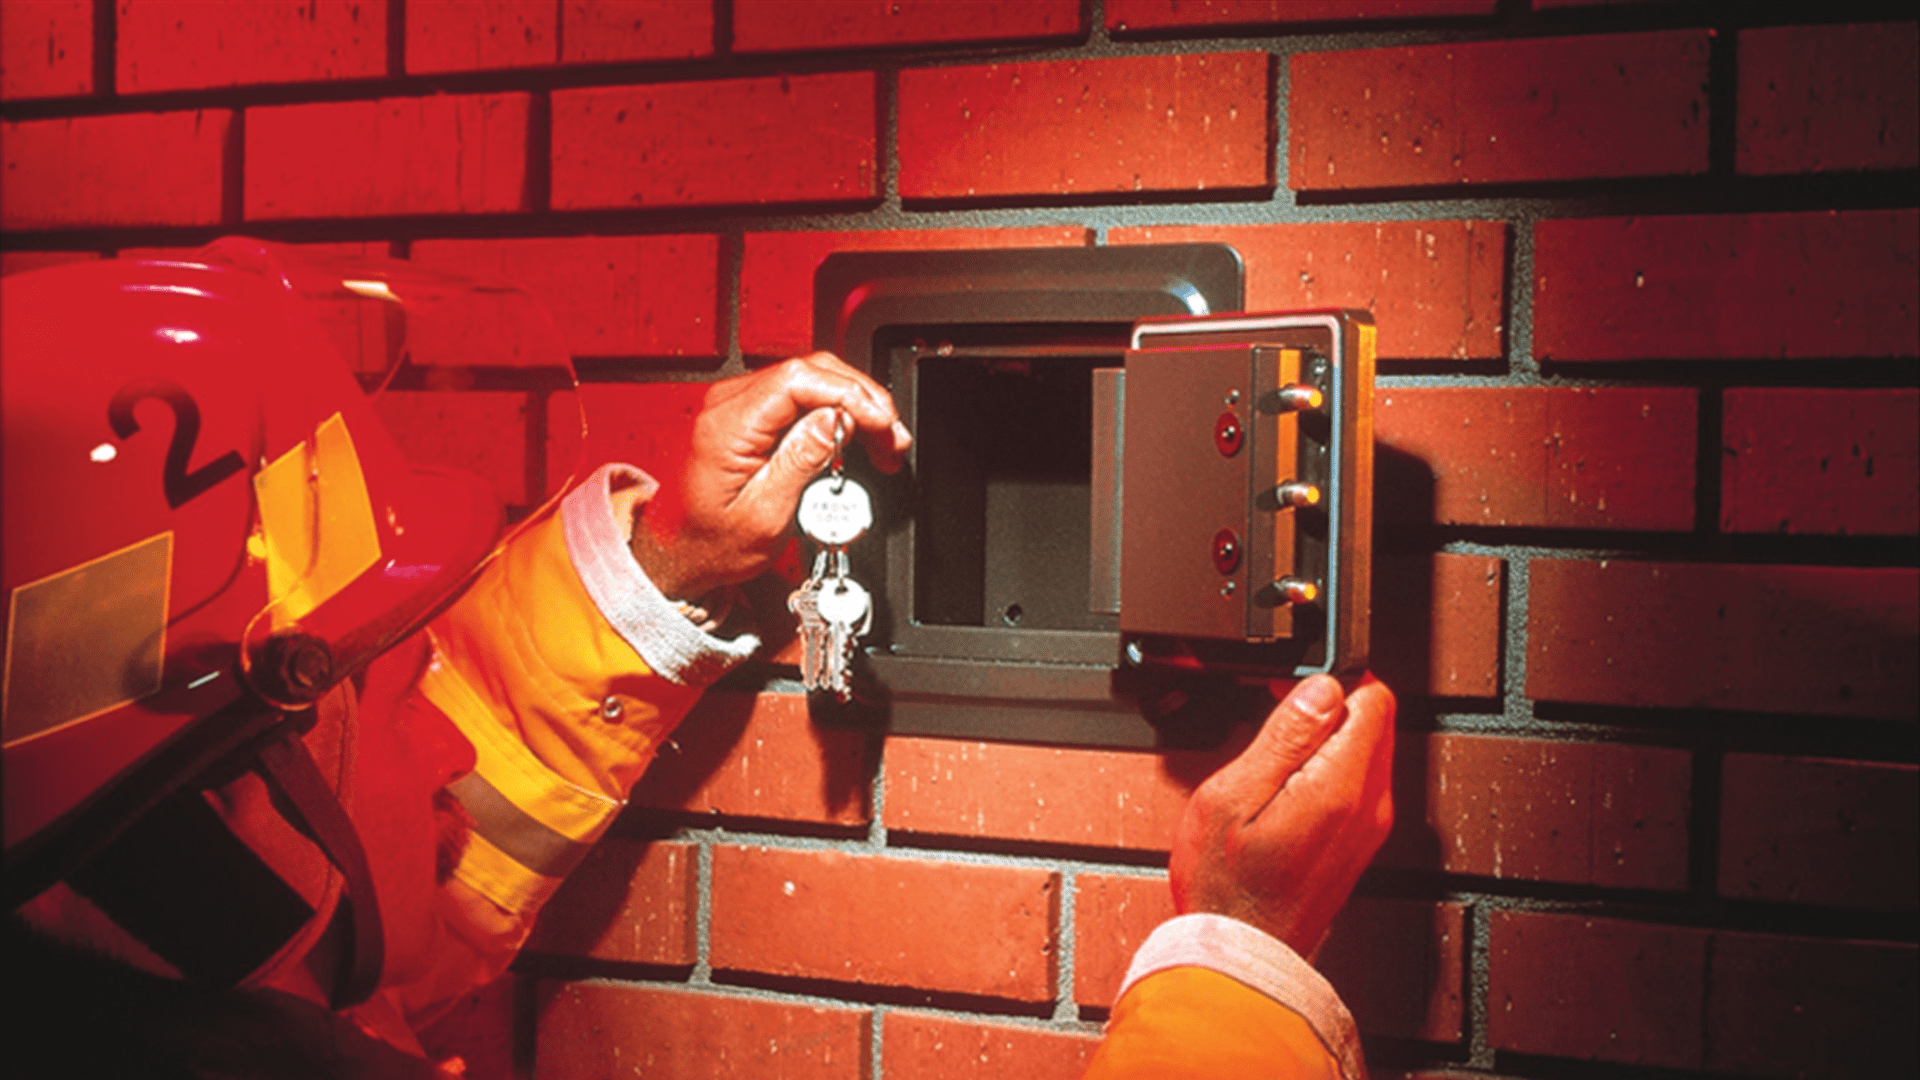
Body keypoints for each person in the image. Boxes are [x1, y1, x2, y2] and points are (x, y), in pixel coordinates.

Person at [2, 243, 1392, 1079]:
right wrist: (1236, 968)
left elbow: (395, 898)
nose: (400, 697)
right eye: (360, 682)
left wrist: (665, 567)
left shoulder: (145, 967)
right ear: (220, 826)